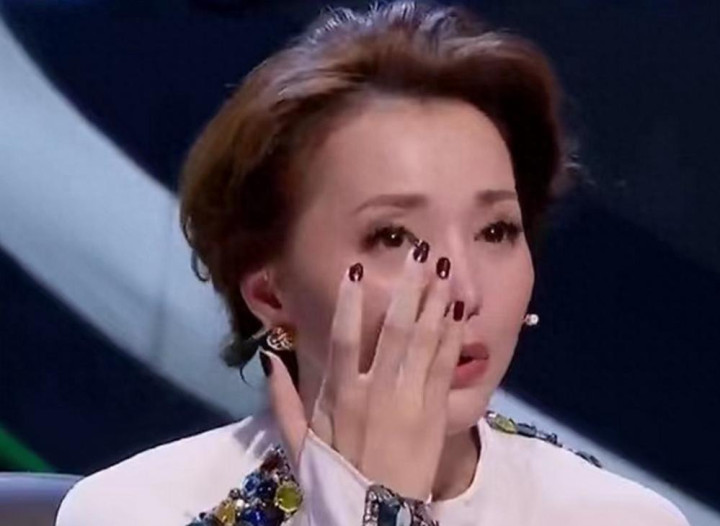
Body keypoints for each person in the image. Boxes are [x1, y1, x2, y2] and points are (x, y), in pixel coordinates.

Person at [55, 1, 690, 525]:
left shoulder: (619, 517)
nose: (463, 290)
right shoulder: (135, 511)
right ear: (270, 294)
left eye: (496, 230)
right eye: (393, 237)